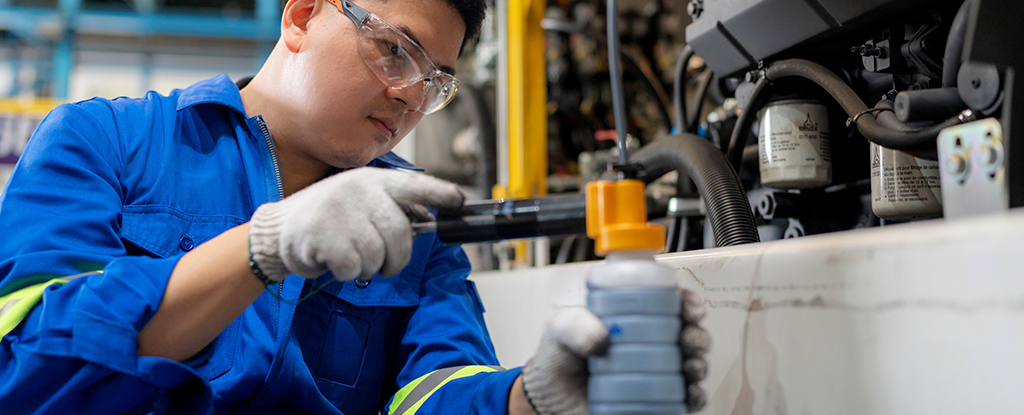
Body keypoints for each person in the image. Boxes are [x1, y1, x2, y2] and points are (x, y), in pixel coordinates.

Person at [0, 0, 708, 413]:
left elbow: (433, 388)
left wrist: (530, 397)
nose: (409, 96)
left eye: (435, 80)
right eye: (394, 51)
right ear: (303, 15)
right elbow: (25, 365)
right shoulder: (104, 140)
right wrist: (263, 246)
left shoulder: (419, 225)